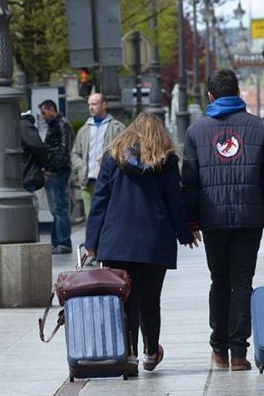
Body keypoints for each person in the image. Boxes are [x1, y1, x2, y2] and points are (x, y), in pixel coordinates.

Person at [182, 69, 264, 372]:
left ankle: (219, 350)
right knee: (242, 283)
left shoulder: (196, 131)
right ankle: (239, 354)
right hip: (249, 218)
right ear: (238, 93)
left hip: (212, 220)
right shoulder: (261, 128)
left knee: (219, 281)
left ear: (211, 96)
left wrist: (190, 224)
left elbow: (188, 182)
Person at [84, 113, 196, 377]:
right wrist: (185, 233)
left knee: (126, 300)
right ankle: (150, 353)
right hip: (154, 242)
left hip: (117, 241)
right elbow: (174, 202)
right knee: (150, 299)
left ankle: (130, 356)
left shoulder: (113, 157)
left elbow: (100, 200)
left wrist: (92, 241)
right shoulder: (166, 162)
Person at [71, 93, 126, 215]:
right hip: (87, 181)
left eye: (94, 104)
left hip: (108, 181)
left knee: (108, 217)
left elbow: (125, 153)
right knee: (90, 219)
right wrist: (81, 167)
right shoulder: (84, 129)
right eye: (89, 104)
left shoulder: (117, 128)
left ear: (104, 105)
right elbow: (75, 153)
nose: (91, 107)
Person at [39, 99, 74, 255]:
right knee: (56, 209)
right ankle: (58, 241)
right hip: (54, 171)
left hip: (57, 172)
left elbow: (64, 150)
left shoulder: (61, 125)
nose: (43, 116)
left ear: (52, 109)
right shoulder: (56, 125)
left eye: (44, 113)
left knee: (59, 208)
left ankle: (63, 242)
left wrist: (52, 168)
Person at [20, 111, 48, 193]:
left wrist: (44, 165)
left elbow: (38, 148)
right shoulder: (24, 126)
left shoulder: (23, 125)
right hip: (25, 175)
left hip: (26, 175)